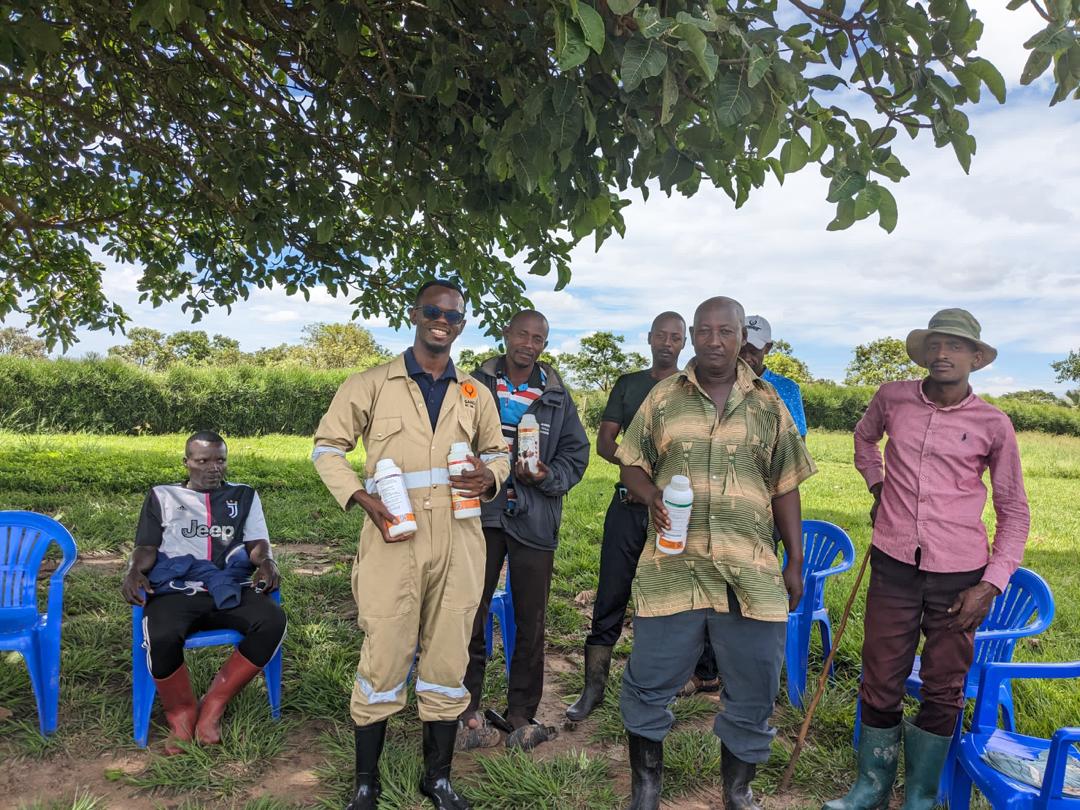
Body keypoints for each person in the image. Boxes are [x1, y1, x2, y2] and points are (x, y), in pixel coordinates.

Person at [312, 279, 510, 810]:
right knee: (385, 651)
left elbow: (499, 452)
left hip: (461, 536)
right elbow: (327, 448)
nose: (442, 319)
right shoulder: (372, 382)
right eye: (433, 310)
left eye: (453, 314)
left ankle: (437, 778)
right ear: (416, 315)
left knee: (448, 654)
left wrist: (489, 477)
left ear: (463, 324)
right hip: (391, 533)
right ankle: (365, 783)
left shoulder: (475, 392)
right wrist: (359, 497)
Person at [825, 309, 1030, 810]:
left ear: (976, 359)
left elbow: (1014, 510)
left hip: (960, 576)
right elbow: (863, 440)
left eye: (957, 346)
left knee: (943, 686)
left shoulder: (993, 424)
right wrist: (878, 485)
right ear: (924, 351)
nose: (944, 353)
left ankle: (920, 795)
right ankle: (870, 787)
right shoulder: (892, 398)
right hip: (894, 562)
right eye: (937, 344)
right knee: (880, 676)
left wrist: (992, 584)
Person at [616, 297, 816, 810]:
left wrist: (794, 560)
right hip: (671, 565)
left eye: (724, 331)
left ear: (739, 337)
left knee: (754, 684)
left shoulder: (769, 403)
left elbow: (786, 485)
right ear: (692, 335)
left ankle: (737, 791)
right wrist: (650, 495)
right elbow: (631, 463)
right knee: (648, 679)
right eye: (703, 331)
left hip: (748, 567)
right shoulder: (662, 398)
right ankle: (646, 788)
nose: (713, 341)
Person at [457, 310, 590, 751]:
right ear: (506, 335)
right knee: (470, 611)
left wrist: (547, 477)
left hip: (535, 517)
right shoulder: (472, 385)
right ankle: (466, 710)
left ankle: (520, 715)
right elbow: (451, 439)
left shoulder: (555, 394)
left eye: (538, 338)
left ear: (544, 346)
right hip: (482, 512)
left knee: (530, 619)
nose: (528, 344)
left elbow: (577, 452)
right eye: (522, 334)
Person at [121, 431, 286, 755]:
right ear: (187, 462)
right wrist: (134, 570)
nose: (213, 468)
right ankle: (182, 715)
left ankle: (213, 705)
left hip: (229, 585)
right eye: (202, 461)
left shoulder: (244, 496)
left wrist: (267, 562)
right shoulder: (161, 496)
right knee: (162, 633)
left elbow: (257, 545)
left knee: (272, 620)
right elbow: (147, 547)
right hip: (177, 590)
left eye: (220, 460)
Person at [565, 311, 687, 722]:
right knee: (611, 593)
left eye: (676, 337)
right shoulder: (629, 385)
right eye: (662, 336)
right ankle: (593, 688)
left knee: (666, 600)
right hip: (627, 506)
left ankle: (653, 691)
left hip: (672, 514)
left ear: (683, 343)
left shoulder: (691, 389)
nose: (668, 343)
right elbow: (604, 442)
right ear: (650, 339)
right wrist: (639, 467)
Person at [680, 313, 809, 697]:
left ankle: (740, 671)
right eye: (743, 349)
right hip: (709, 507)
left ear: (767, 349)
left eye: (754, 351)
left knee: (745, 587)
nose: (746, 357)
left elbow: (791, 453)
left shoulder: (781, 391)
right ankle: (705, 669)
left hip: (760, 510)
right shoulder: (709, 385)